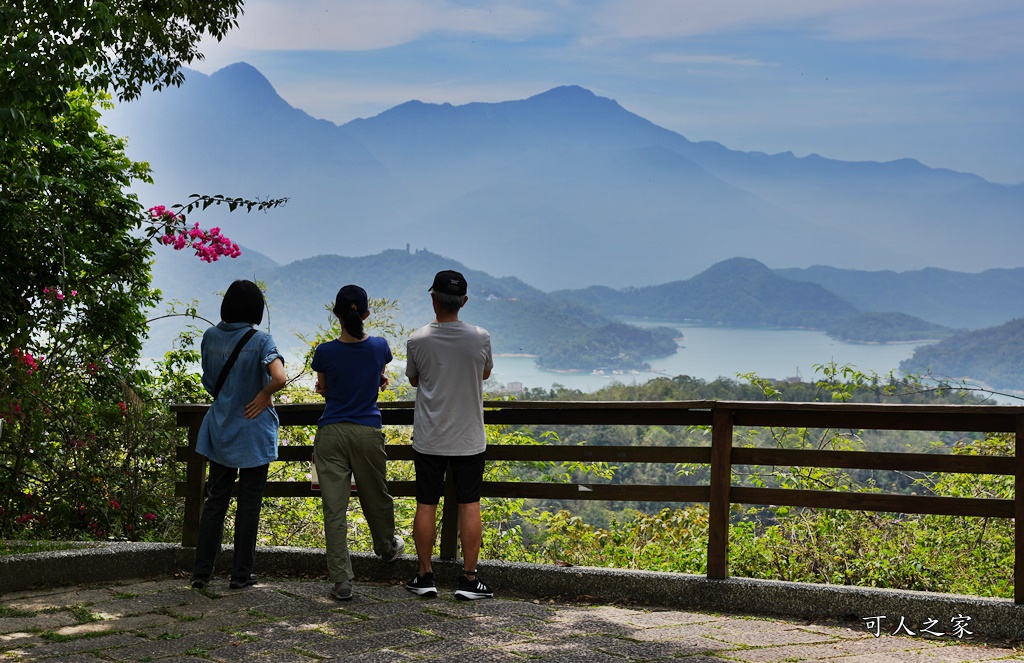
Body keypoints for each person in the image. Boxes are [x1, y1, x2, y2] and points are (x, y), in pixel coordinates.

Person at [191, 280, 287, 590]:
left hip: (220, 428)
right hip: (253, 432)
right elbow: (280, 378)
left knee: (215, 500)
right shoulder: (261, 340)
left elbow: (209, 382)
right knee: (249, 503)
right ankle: (240, 574)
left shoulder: (210, 337)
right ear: (256, 309)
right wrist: (262, 396)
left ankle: (201, 573)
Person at [405, 269, 494, 600]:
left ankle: (425, 576)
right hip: (469, 438)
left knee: (426, 503)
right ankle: (469, 580)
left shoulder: (417, 340)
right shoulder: (480, 337)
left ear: (433, 299)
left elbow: (414, 380)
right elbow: (484, 372)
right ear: (464, 302)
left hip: (430, 437)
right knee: (470, 504)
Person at [311, 285, 405, 601]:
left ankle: (342, 580)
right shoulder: (380, 347)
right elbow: (377, 377)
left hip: (331, 433)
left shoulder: (324, 352)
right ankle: (386, 548)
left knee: (334, 509)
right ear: (365, 314)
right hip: (367, 430)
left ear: (336, 313)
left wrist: (327, 386)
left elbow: (323, 388)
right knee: (376, 496)